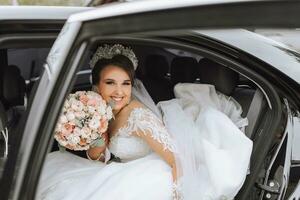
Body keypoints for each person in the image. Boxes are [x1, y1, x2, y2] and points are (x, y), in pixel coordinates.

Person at [37, 44, 253, 200]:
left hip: (157, 174)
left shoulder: (138, 116)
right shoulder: (99, 110)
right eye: (110, 83)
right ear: (96, 86)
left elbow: (178, 161)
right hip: (120, 170)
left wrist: (179, 196)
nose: (119, 92)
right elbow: (98, 158)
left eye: (126, 83)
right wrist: (93, 129)